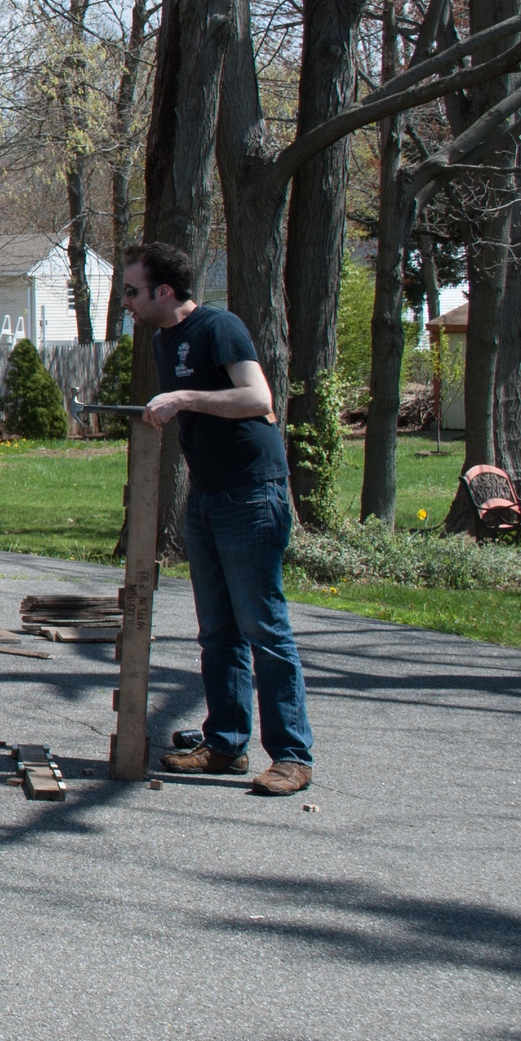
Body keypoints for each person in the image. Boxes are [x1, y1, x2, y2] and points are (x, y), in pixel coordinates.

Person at [121, 240, 314, 797]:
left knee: (263, 629)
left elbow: (257, 398)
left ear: (163, 290)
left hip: (252, 494)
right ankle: (226, 744)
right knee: (217, 632)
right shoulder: (164, 340)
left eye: (132, 291)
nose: (127, 302)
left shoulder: (217, 327)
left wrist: (182, 396)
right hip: (207, 496)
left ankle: (292, 757)